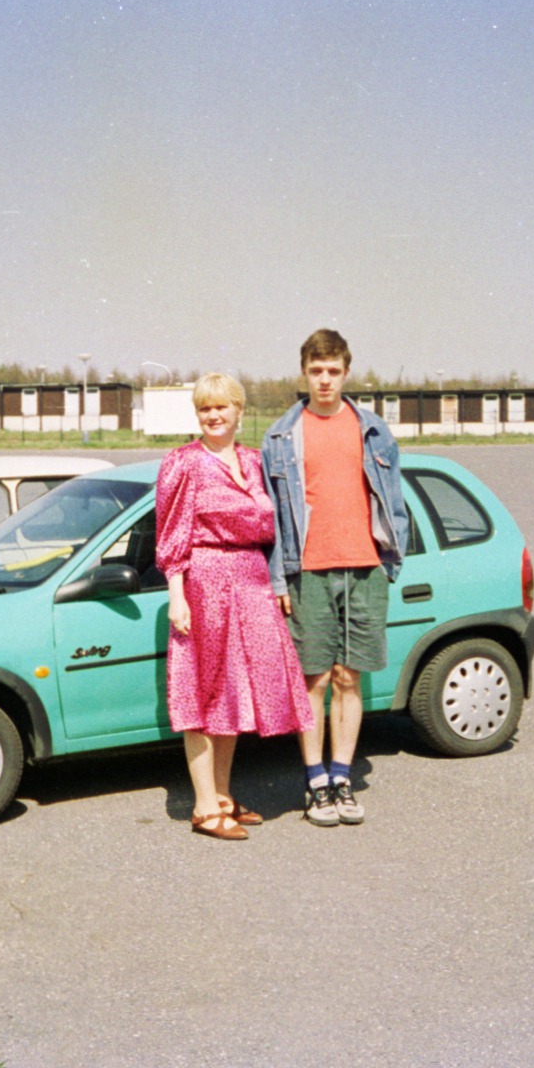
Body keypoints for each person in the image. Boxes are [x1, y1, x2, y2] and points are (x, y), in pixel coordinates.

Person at [157, 373, 315, 840]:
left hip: (251, 584)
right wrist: (177, 594)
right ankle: (204, 808)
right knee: (202, 696)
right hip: (205, 583)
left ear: (239, 411)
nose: (213, 415)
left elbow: (279, 524)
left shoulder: (254, 461)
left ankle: (223, 795)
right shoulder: (183, 462)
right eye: (205, 408)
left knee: (234, 693)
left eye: (222, 407)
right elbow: (171, 535)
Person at [264, 330, 410, 827]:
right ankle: (316, 782)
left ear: (346, 373)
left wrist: (393, 557)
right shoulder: (283, 435)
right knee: (315, 679)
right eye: (316, 370)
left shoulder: (372, 429)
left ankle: (342, 776)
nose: (324, 380)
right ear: (304, 372)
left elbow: (394, 498)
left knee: (350, 678)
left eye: (333, 371)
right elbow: (274, 518)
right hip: (308, 571)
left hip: (365, 566)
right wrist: (280, 581)